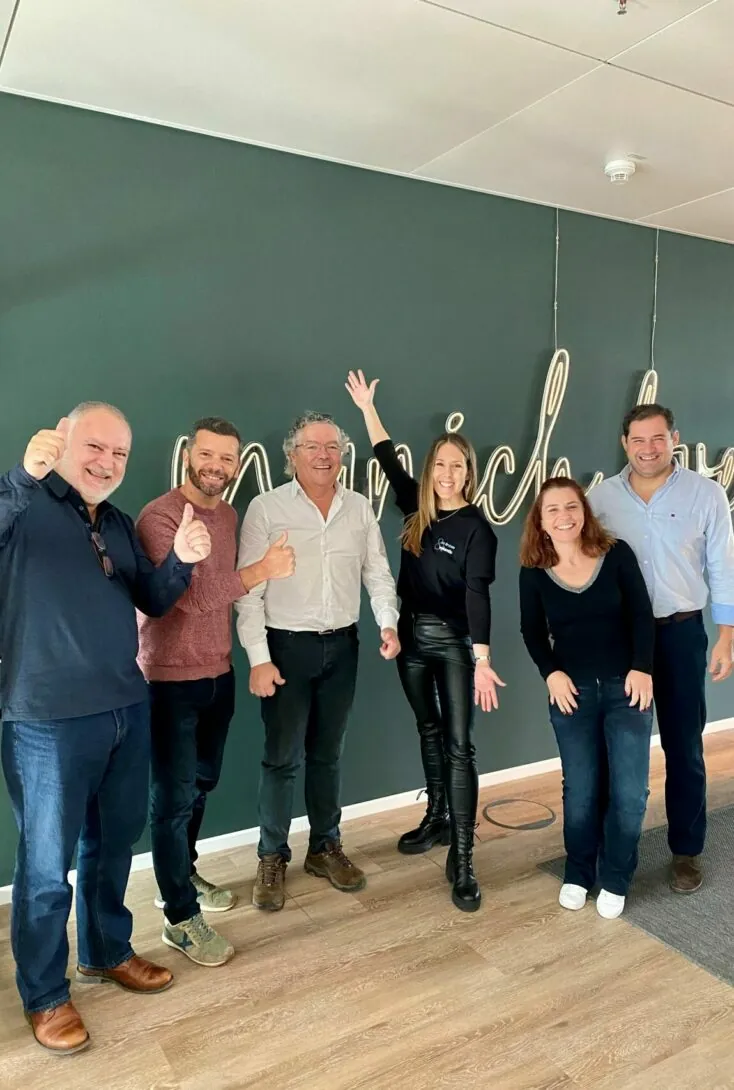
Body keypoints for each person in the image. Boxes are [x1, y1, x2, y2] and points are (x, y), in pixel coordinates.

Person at [0, 403, 211, 1056]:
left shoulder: (117, 523)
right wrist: (19, 479)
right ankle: (45, 993)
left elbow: (150, 596)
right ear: (60, 443)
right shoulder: (23, 503)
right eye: (94, 447)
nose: (107, 463)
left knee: (114, 843)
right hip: (45, 721)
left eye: (119, 454)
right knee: (43, 867)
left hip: (125, 707)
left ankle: (106, 951)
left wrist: (180, 560)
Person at [136, 417, 296, 967]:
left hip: (217, 675)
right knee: (173, 801)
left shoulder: (227, 514)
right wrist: (264, 570)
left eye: (227, 459)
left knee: (201, 785)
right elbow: (194, 599)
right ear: (189, 454)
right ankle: (179, 918)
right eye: (208, 455)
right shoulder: (158, 519)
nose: (217, 467)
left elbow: (219, 598)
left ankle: (181, 873)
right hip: (169, 682)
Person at [346, 371, 503, 913]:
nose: (447, 474)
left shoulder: (478, 529)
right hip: (411, 643)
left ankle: (462, 859)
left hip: (458, 647)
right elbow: (387, 455)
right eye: (440, 464)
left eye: (457, 466)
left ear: (469, 473)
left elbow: (479, 596)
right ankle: (437, 817)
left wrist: (482, 659)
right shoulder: (415, 510)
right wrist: (368, 408)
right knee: (428, 728)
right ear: (431, 469)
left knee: (460, 748)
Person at [236, 410, 400, 911]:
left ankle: (325, 846)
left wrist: (388, 621)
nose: (324, 455)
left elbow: (377, 572)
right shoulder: (265, 509)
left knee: (328, 754)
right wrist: (258, 659)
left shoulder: (359, 509)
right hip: (285, 648)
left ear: (343, 455)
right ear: (292, 457)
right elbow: (248, 591)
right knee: (282, 758)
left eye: (332, 447)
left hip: (343, 647)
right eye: (312, 447)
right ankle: (272, 856)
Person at [589, 403, 734, 894]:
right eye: (638, 440)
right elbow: (582, 565)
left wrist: (726, 636)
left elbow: (723, 566)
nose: (648, 449)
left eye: (658, 438)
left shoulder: (706, 494)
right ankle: (608, 849)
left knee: (684, 746)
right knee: (615, 751)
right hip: (620, 640)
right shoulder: (601, 498)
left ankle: (686, 851)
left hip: (680, 634)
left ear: (674, 437)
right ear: (624, 442)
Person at [519, 477, 655, 919]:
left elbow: (641, 614)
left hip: (626, 687)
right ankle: (578, 872)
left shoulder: (616, 555)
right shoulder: (533, 571)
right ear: (540, 521)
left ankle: (616, 876)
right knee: (581, 790)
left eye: (571, 506)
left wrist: (643, 667)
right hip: (571, 694)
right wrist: (551, 673)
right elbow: (533, 631)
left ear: (584, 511)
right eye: (553, 510)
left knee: (630, 791)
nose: (564, 516)